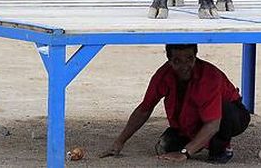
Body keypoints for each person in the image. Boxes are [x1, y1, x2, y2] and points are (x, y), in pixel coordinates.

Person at [100, 44, 250, 164]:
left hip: (227, 115)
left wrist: (185, 153)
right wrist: (119, 141)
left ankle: (222, 147)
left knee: (225, 115)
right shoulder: (163, 75)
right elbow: (144, 110)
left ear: (195, 56)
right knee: (166, 147)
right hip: (193, 121)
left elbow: (213, 123)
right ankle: (198, 142)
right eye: (177, 61)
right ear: (169, 60)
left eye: (189, 59)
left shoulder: (209, 77)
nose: (184, 66)